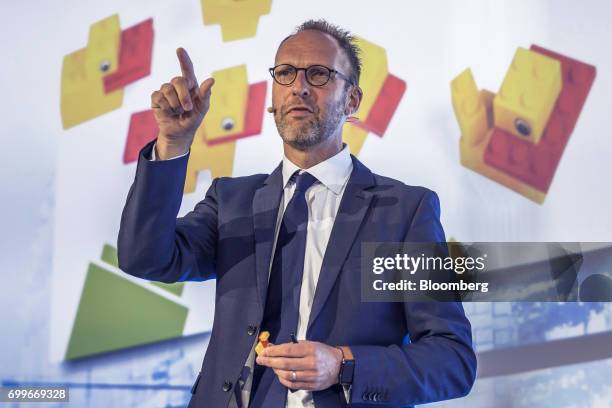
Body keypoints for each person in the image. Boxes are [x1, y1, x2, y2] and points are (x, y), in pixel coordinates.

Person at [118, 19, 476, 408]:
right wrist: (173, 142)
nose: (299, 87)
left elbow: (451, 360)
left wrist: (343, 365)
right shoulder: (232, 200)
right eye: (285, 73)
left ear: (352, 101)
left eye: (319, 75)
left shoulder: (405, 212)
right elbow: (145, 258)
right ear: (273, 94)